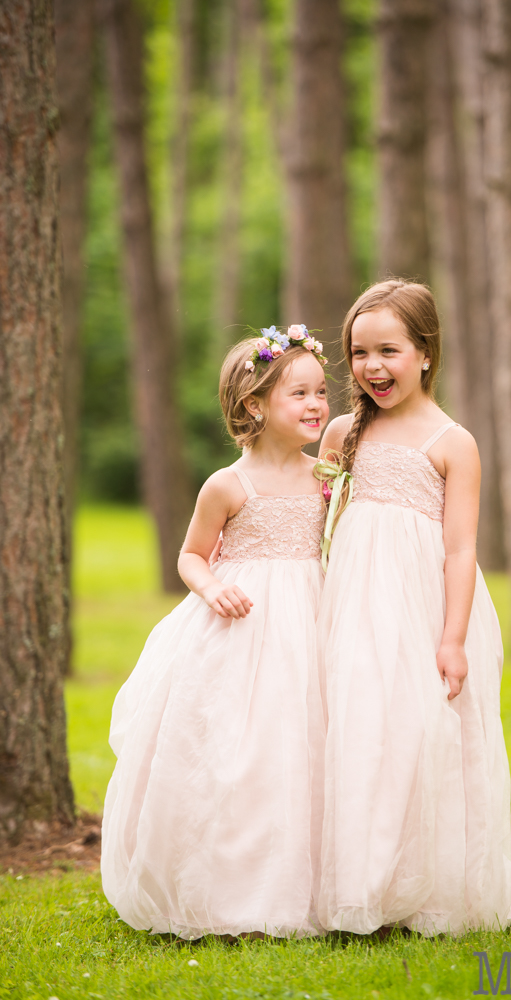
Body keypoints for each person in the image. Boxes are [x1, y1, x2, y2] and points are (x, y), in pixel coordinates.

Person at [316, 280, 511, 935]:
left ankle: (423, 882)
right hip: (353, 606)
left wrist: (451, 638)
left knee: (417, 737)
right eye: (359, 353)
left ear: (424, 352)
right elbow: (315, 524)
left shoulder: (452, 441)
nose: (372, 367)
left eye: (388, 350)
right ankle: (359, 884)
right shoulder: (340, 434)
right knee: (359, 732)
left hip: (423, 609)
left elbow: (459, 548)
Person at [101, 326, 329, 940]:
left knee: (306, 745)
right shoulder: (227, 484)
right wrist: (209, 588)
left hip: (311, 622)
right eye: (298, 394)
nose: (315, 405)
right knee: (242, 750)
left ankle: (312, 882)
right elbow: (192, 555)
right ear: (254, 405)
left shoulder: (327, 479)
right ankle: (233, 885)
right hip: (242, 624)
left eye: (320, 392)